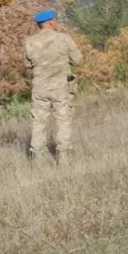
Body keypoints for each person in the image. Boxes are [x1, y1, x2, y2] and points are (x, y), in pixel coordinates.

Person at [24, 9, 82, 166]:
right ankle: (63, 158)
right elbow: (78, 60)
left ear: (39, 25)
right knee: (63, 120)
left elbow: (27, 65)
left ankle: (37, 159)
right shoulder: (64, 39)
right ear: (51, 22)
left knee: (38, 122)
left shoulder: (29, 41)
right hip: (61, 87)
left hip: (40, 88)